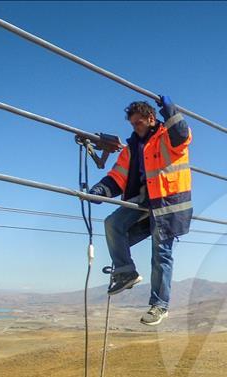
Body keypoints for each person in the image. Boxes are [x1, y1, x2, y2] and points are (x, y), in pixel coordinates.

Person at [89, 95, 193, 326]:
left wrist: (172, 111)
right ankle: (126, 272)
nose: (135, 127)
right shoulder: (132, 148)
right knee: (112, 224)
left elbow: (183, 135)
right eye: (132, 124)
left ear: (151, 118)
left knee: (161, 253)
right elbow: (118, 176)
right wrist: (100, 190)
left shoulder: (168, 137)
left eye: (139, 122)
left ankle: (160, 305)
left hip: (168, 203)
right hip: (145, 200)